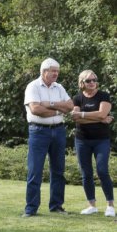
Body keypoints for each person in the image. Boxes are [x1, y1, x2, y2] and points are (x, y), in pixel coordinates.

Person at [22, 58, 74, 217]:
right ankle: (31, 209)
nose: (56, 74)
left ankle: (56, 206)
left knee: (58, 170)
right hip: (38, 131)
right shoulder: (33, 86)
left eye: (57, 71)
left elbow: (70, 106)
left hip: (58, 131)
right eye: (53, 71)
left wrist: (49, 104)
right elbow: (36, 109)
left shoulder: (59, 87)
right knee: (35, 170)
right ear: (44, 72)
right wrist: (59, 108)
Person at [71, 70, 114, 217]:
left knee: (102, 171)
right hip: (82, 140)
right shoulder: (77, 98)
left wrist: (84, 115)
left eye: (94, 79)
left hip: (101, 140)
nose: (92, 82)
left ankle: (110, 205)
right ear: (82, 83)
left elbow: (102, 113)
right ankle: (92, 205)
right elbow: (76, 119)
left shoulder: (104, 96)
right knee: (86, 173)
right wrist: (99, 118)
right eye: (88, 80)